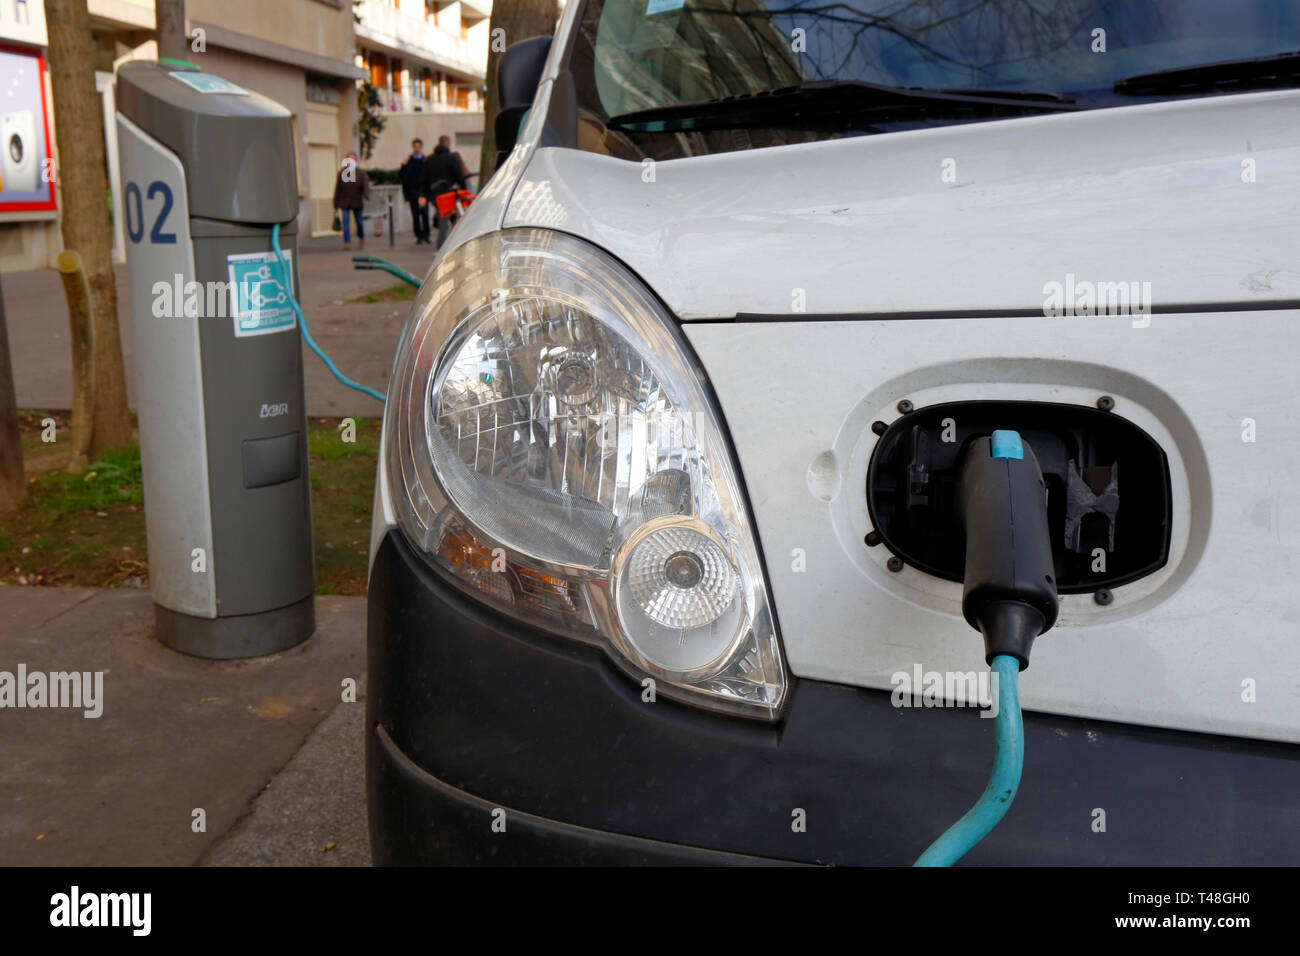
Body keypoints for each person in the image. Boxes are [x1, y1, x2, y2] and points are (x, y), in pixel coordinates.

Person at [419, 135, 469, 249]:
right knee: (451, 220)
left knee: (443, 219)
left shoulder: (430, 159)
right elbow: (459, 176)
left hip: (436, 196)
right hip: (449, 194)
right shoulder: (450, 158)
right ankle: (447, 246)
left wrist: (423, 195)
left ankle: (442, 246)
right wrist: (463, 189)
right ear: (447, 143)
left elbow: (424, 179)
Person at [333, 151, 371, 250]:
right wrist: (335, 202)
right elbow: (338, 189)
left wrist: (366, 195)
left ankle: (361, 237)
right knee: (346, 222)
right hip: (345, 202)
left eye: (353, 159)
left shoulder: (361, 174)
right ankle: (347, 242)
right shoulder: (341, 173)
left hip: (357, 201)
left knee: (359, 222)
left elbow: (365, 186)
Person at [399, 139, 431, 245]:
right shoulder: (409, 161)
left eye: (418, 146)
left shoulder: (425, 160)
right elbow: (402, 176)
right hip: (412, 192)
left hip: (423, 193)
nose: (416, 148)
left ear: (421, 147)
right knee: (415, 215)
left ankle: (426, 235)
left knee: (425, 214)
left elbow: (428, 176)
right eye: (414, 146)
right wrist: (403, 165)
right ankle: (419, 236)